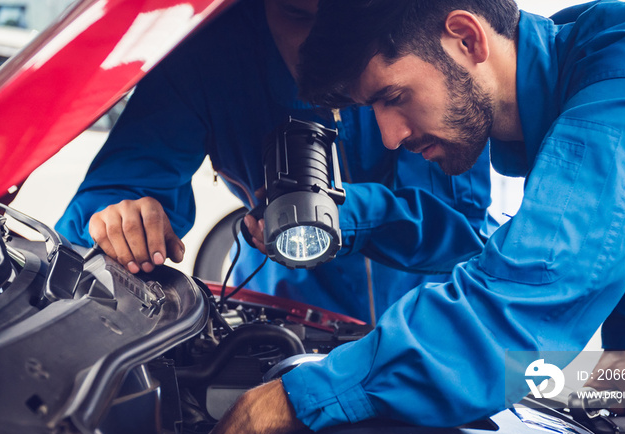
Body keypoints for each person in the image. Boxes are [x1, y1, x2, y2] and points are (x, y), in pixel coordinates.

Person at [202, 0, 625, 434]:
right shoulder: (576, 57)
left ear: (467, 38)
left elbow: (518, 300)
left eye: (393, 96)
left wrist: (301, 397)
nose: (390, 137)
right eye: (372, 109)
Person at [55, 0, 495, 325]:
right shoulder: (209, 58)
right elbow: (118, 189)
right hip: (280, 292)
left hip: (430, 312)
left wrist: (349, 215)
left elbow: (462, 236)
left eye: (335, 17)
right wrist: (119, 217)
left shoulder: (418, 54)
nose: (319, 47)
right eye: (296, 14)